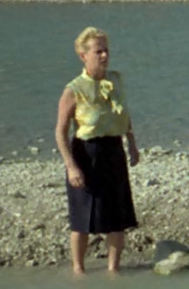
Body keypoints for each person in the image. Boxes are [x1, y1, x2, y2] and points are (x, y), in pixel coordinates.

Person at [54, 26, 140, 274]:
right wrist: (71, 167)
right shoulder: (73, 89)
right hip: (86, 153)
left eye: (106, 50)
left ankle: (114, 270)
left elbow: (124, 113)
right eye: (98, 51)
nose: (104, 56)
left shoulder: (116, 79)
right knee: (82, 217)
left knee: (117, 216)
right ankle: (79, 270)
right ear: (84, 55)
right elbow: (60, 131)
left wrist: (132, 143)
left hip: (113, 150)